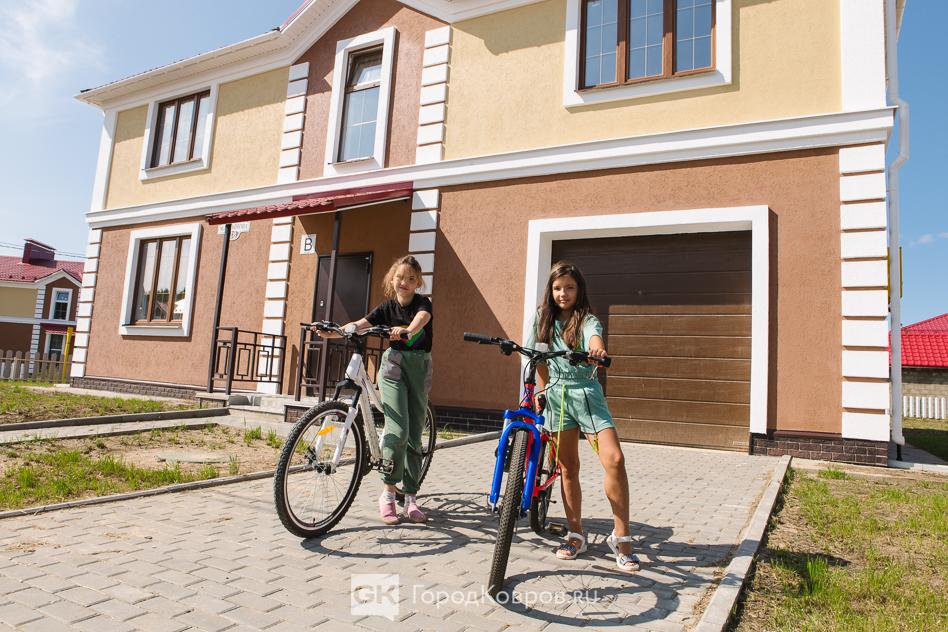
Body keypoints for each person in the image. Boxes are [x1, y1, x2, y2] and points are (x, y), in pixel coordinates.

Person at [526, 261, 640, 573]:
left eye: (569, 287)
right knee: (567, 468)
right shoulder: (541, 319)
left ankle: (622, 538)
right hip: (557, 396)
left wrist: (597, 350)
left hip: (588, 396)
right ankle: (576, 534)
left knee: (614, 460)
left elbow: (594, 337)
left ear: (579, 290)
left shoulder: (586, 319)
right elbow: (538, 358)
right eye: (557, 287)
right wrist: (541, 390)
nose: (563, 293)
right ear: (550, 290)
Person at [314, 255, 433, 525]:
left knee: (415, 434)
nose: (404, 282)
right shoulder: (387, 307)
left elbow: (422, 320)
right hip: (393, 368)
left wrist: (407, 330)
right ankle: (388, 494)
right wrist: (334, 332)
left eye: (411, 278)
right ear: (392, 279)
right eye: (400, 277)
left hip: (419, 367)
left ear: (418, 283)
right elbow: (360, 324)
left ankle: (411, 498)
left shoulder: (422, 303)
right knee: (398, 430)